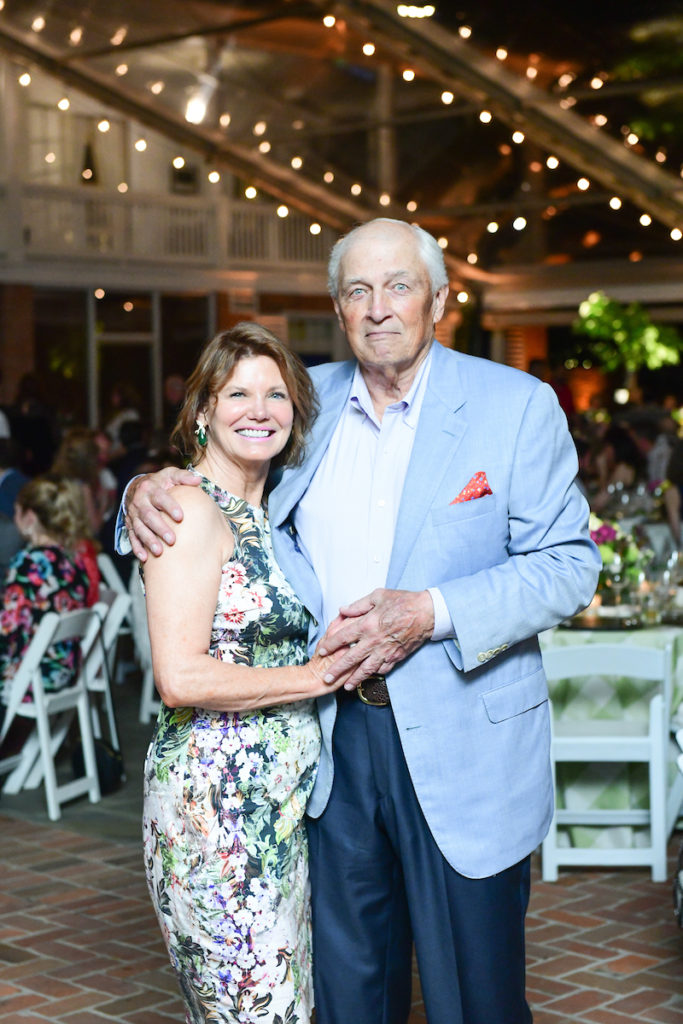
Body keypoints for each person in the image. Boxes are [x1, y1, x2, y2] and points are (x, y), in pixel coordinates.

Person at [122, 218, 600, 1024]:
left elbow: (568, 565)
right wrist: (143, 493)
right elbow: (215, 498)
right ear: (338, 308)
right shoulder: (300, 405)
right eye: (357, 290)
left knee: (473, 1001)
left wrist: (429, 612)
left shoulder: (514, 404)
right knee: (349, 994)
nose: (379, 308)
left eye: (399, 286)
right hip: (329, 744)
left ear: (439, 300)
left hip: (462, 740)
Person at [137, 322, 353, 1024]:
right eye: (237, 393)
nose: (258, 409)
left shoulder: (267, 514)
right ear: (202, 410)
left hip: (274, 811)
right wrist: (319, 677)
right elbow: (180, 677)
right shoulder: (191, 509)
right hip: (215, 816)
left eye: (276, 394)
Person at [0, 475, 92, 732]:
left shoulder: (27, 562)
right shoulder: (72, 561)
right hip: (63, 672)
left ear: (29, 517)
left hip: (32, 677)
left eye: (17, 511)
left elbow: (11, 633)